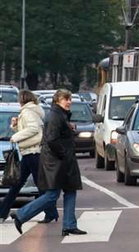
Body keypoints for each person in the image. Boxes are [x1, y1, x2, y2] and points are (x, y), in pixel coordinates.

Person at [12, 89, 86, 236]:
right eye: (66, 99)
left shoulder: (59, 115)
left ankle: (69, 224)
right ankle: (21, 215)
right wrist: (63, 154)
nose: (69, 101)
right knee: (52, 194)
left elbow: (56, 136)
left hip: (61, 160)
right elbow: (52, 139)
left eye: (69, 98)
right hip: (57, 162)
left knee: (70, 191)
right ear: (57, 100)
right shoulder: (55, 116)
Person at [0, 90, 58, 223]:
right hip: (29, 152)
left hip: (32, 152)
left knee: (37, 185)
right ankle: (3, 212)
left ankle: (51, 212)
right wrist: (15, 126)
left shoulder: (28, 112)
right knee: (19, 184)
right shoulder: (32, 111)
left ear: (22, 99)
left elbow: (33, 129)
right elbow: (31, 129)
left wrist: (15, 136)